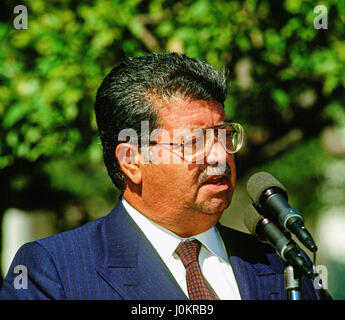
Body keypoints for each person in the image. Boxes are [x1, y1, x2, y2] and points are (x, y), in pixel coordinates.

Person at [0, 53, 323, 300]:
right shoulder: (55, 270)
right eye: (194, 141)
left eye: (223, 135)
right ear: (132, 161)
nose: (218, 155)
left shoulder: (280, 265)